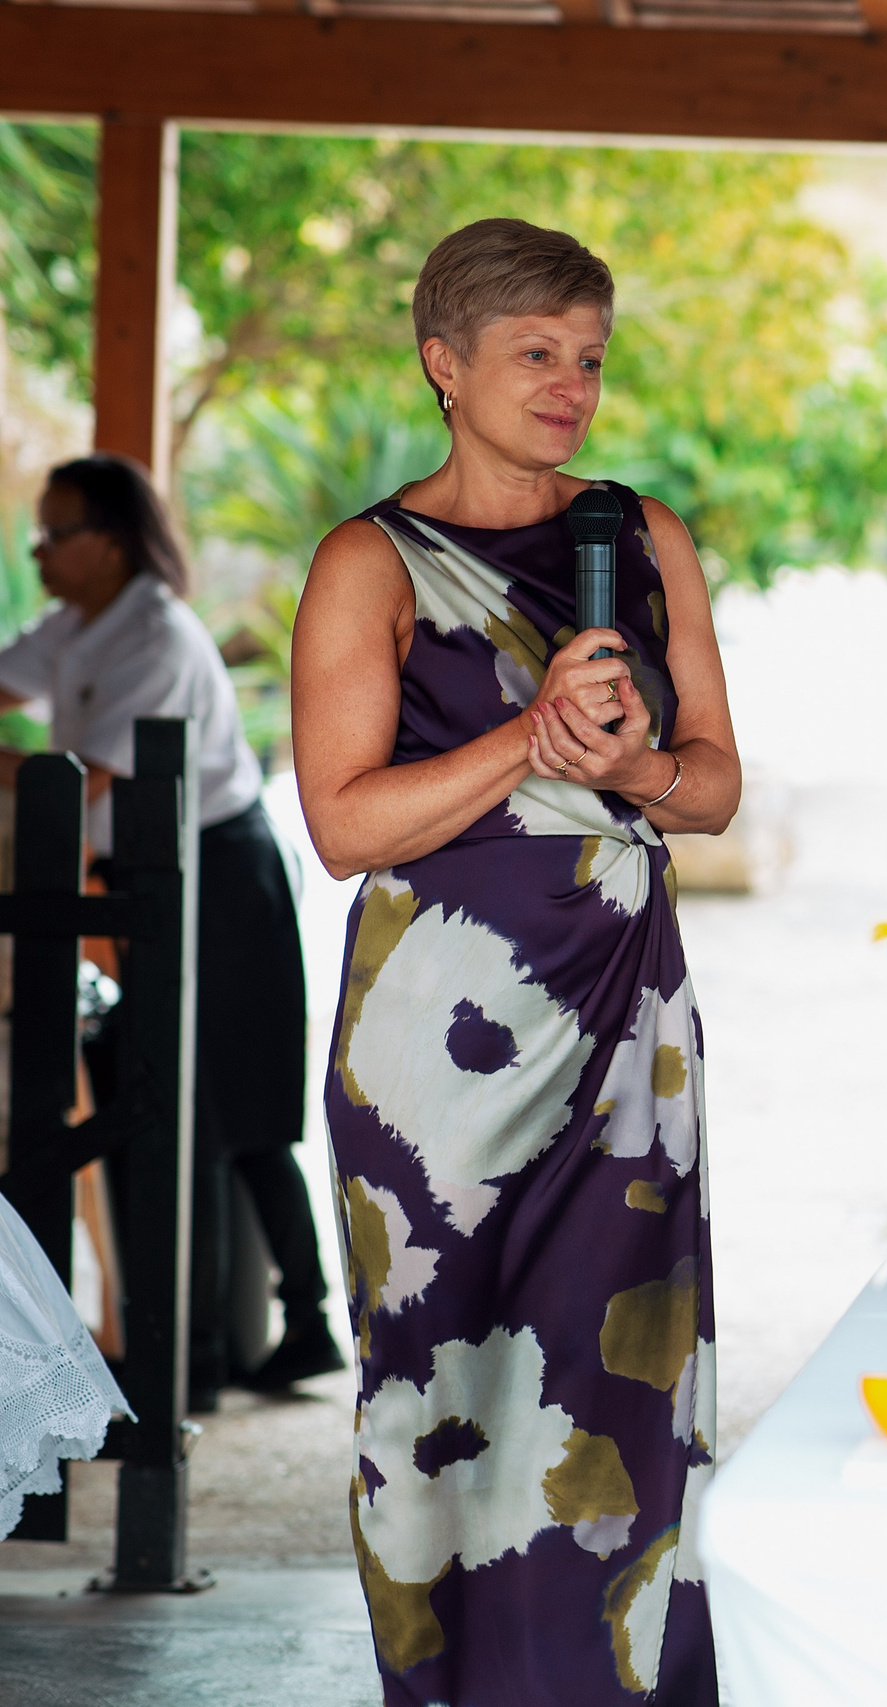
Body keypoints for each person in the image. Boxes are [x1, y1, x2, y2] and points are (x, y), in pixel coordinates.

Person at [294, 218, 739, 1704]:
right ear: (445, 360)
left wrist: (643, 766)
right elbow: (343, 821)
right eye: (536, 353)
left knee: (623, 1388)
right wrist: (528, 737)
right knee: (447, 1399)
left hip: (629, 1025)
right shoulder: (371, 560)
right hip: (439, 1050)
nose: (570, 386)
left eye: (591, 357)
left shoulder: (644, 533)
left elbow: (719, 785)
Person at [0, 454, 338, 1404]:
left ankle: (225, 1346)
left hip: (223, 870)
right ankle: (240, 1337)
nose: (39, 550)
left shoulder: (156, 634)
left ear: (108, 541)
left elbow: (85, 783)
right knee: (190, 1099)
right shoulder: (74, 627)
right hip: (147, 874)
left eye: (55, 531)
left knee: (222, 1106)